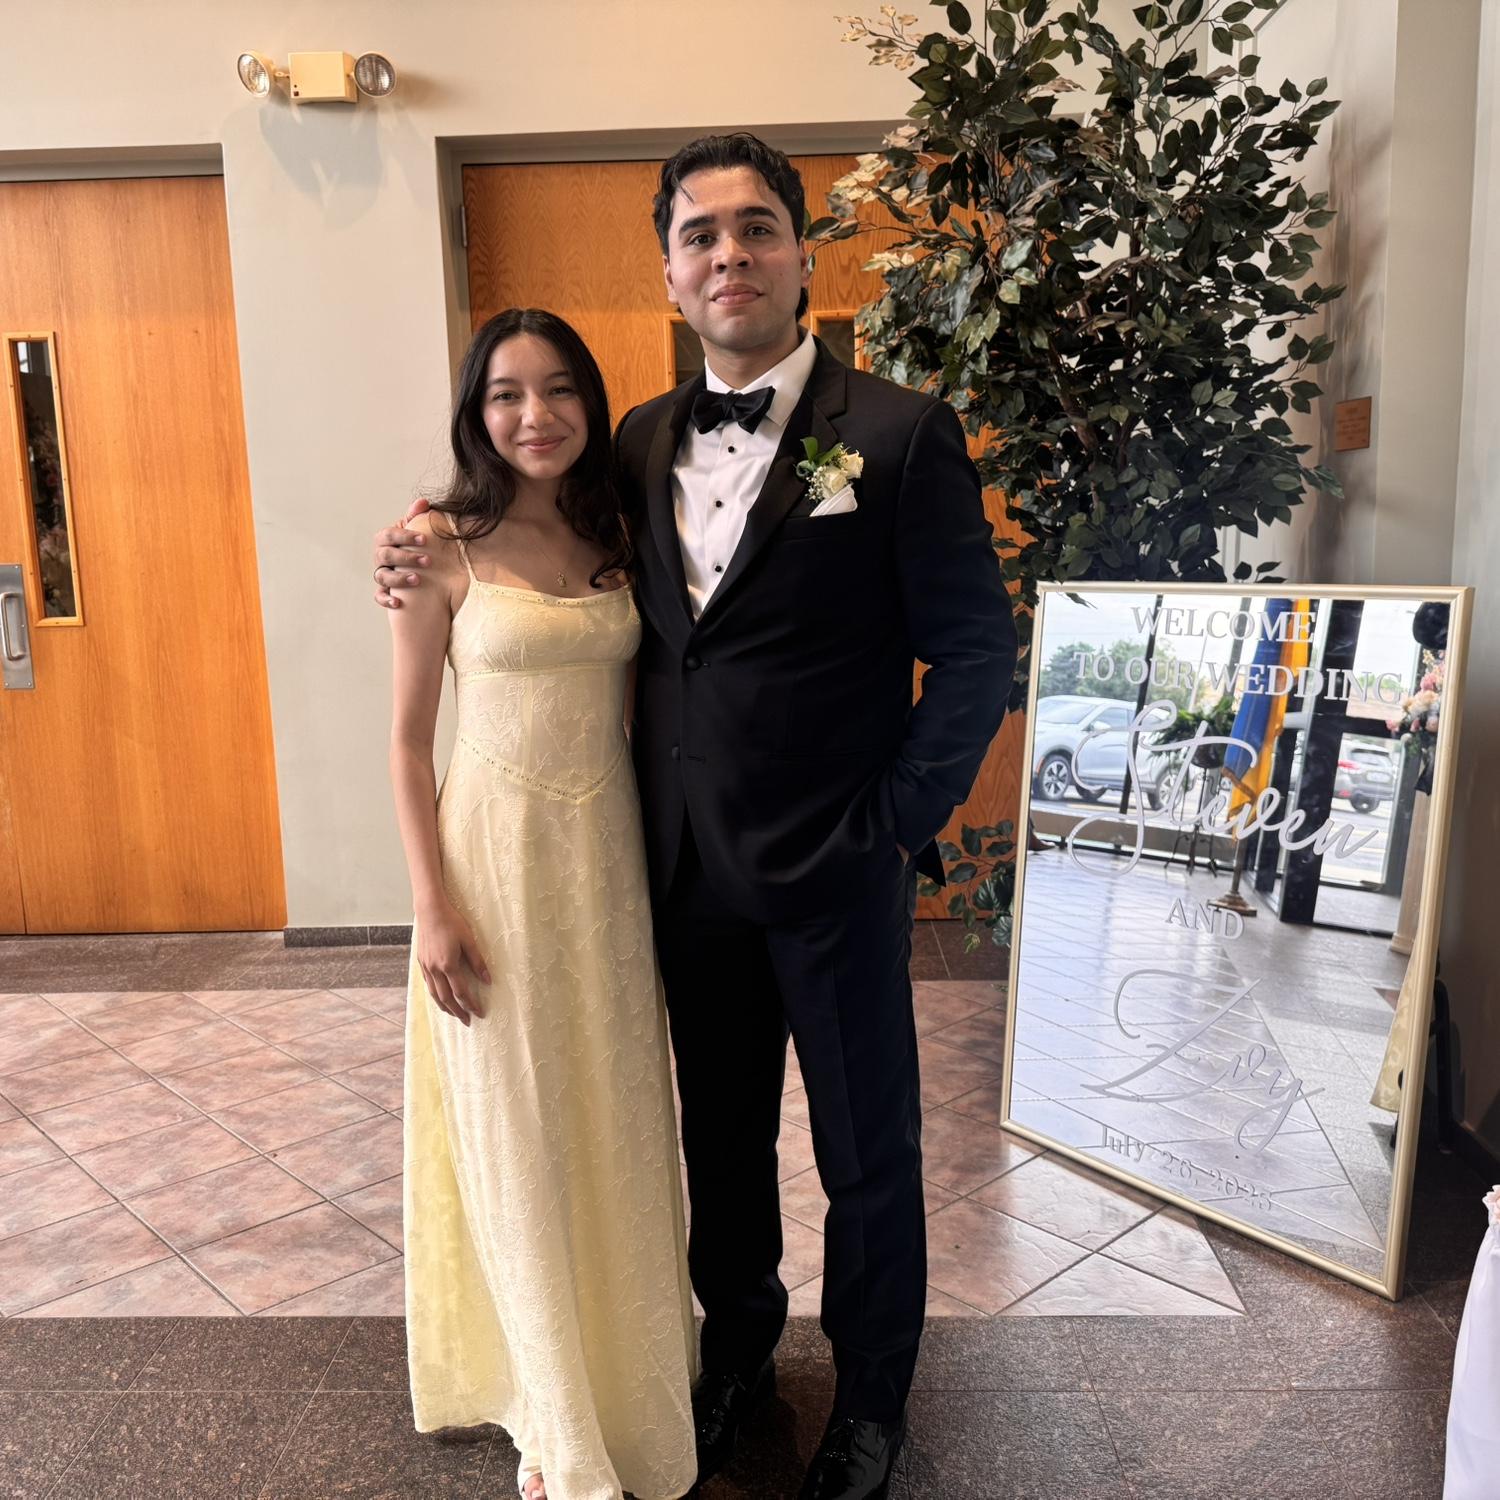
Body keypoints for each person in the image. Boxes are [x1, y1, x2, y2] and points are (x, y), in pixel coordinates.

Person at [377, 134, 1016, 1500]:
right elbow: (533, 541)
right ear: (669, 273)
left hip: (837, 869)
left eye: (756, 227)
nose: (730, 255)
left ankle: (872, 1404)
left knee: (868, 1160)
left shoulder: (899, 434)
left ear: (802, 253)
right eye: (700, 236)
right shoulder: (638, 443)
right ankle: (736, 1358)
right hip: (674, 874)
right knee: (717, 1149)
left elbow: (975, 656)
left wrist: (896, 824)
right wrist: (418, 536)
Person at [386, 306, 697, 1500]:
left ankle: (626, 1377)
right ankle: (553, 1411)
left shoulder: (619, 529)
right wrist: (431, 906)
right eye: (508, 394)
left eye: (560, 389)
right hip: (492, 867)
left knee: (610, 1115)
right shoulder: (436, 545)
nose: (536, 415)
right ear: (477, 414)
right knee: (516, 1123)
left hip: (603, 866)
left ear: (591, 402)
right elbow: (406, 744)